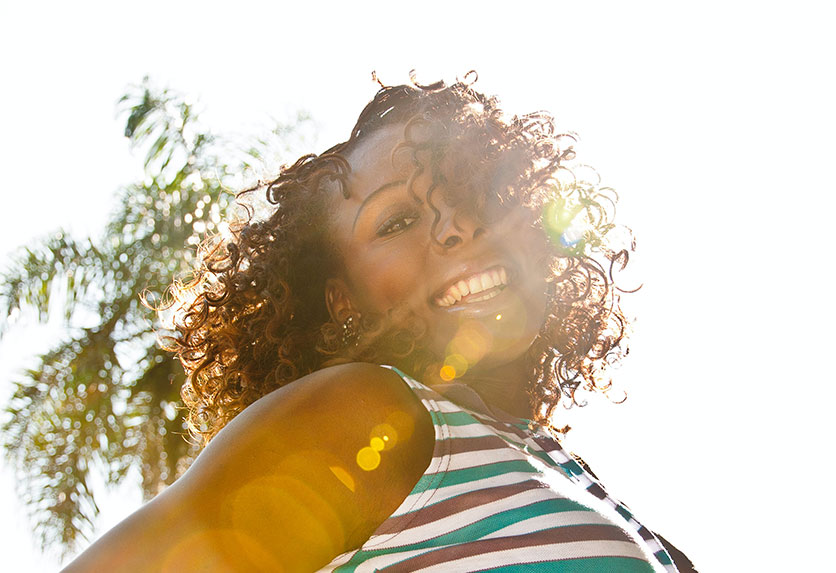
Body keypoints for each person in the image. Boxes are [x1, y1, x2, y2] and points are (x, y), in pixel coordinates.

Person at [63, 73, 696, 572]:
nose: (459, 225)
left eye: (476, 196)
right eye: (396, 221)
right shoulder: (365, 418)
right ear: (342, 301)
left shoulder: (597, 498)